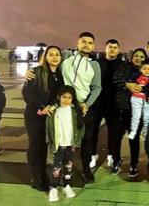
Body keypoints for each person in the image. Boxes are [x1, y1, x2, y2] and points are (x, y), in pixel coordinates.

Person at [25, 32, 102, 183]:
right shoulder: (66, 56)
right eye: (83, 41)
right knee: (62, 140)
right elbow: (49, 61)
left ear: (93, 46)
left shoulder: (95, 65)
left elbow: (97, 87)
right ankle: (54, 172)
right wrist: (32, 71)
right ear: (77, 43)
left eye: (90, 42)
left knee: (86, 140)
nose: (86, 45)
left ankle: (86, 169)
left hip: (83, 107)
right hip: (63, 108)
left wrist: (87, 104)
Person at [22, 45, 64, 191]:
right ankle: (36, 178)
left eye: (57, 54)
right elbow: (27, 93)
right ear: (45, 57)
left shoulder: (59, 73)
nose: (54, 57)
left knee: (44, 146)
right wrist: (41, 106)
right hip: (35, 115)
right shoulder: (37, 71)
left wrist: (53, 107)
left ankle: (42, 175)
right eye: (50, 54)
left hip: (50, 116)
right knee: (36, 147)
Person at [111, 48, 148, 177]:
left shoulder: (146, 72)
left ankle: (133, 164)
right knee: (116, 137)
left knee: (134, 139)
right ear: (132, 57)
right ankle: (116, 160)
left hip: (136, 112)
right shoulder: (124, 67)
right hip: (122, 108)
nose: (139, 58)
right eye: (136, 56)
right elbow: (115, 80)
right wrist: (127, 85)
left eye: (142, 56)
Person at [46, 85, 84, 202]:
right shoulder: (53, 111)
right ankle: (53, 187)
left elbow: (80, 127)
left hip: (70, 144)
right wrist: (50, 142)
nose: (66, 100)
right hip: (59, 144)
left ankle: (66, 185)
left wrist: (78, 140)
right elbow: (48, 129)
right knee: (56, 167)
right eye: (64, 97)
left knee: (69, 166)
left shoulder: (75, 111)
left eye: (69, 97)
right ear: (58, 97)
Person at [91, 39, 123, 169]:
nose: (112, 49)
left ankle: (112, 154)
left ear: (118, 50)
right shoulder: (96, 63)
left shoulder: (122, 64)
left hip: (114, 103)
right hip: (98, 101)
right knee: (93, 130)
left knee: (113, 131)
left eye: (115, 47)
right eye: (110, 47)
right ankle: (92, 154)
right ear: (105, 48)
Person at [127, 60, 149, 139]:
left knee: (146, 117)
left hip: (147, 100)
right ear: (141, 69)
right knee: (136, 116)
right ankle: (133, 131)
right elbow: (128, 81)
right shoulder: (135, 76)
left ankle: (145, 129)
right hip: (136, 98)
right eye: (144, 68)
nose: (147, 71)